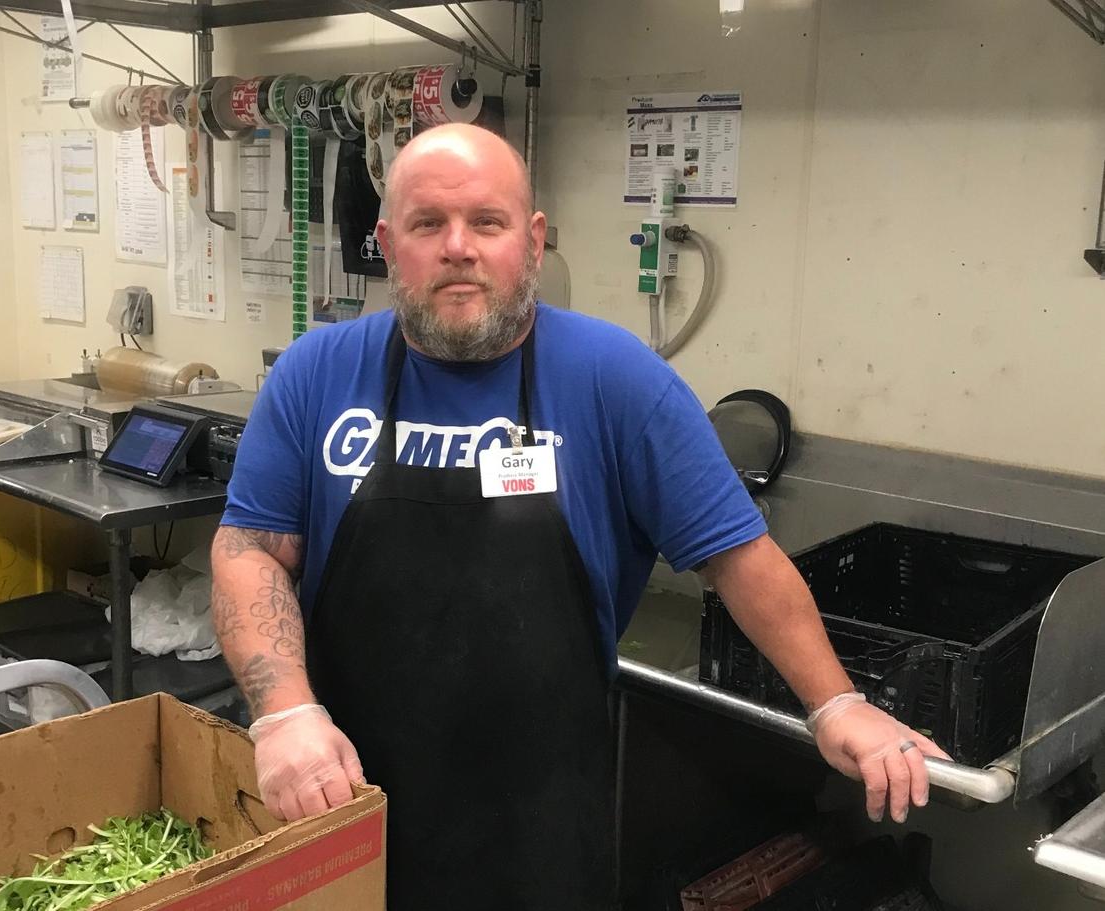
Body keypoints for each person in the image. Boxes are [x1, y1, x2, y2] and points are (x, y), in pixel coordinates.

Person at [211, 123, 949, 911]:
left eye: (486, 223)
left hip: (539, 824)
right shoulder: (315, 372)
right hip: (336, 793)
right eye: (429, 224)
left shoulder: (616, 376)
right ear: (389, 243)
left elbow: (738, 556)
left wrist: (835, 701)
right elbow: (250, 548)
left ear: (531, 242)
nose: (458, 247)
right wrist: (285, 713)